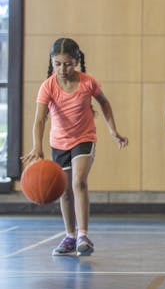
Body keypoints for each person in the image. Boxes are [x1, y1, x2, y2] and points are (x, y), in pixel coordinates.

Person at [21, 38, 128, 257]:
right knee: (64, 191)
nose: (62, 69)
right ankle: (70, 235)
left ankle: (83, 235)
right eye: (58, 63)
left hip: (84, 138)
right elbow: (40, 120)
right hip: (59, 143)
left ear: (77, 61)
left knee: (79, 182)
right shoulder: (48, 86)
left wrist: (113, 131)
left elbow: (104, 103)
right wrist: (37, 147)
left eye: (68, 63)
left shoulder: (88, 83)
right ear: (52, 62)